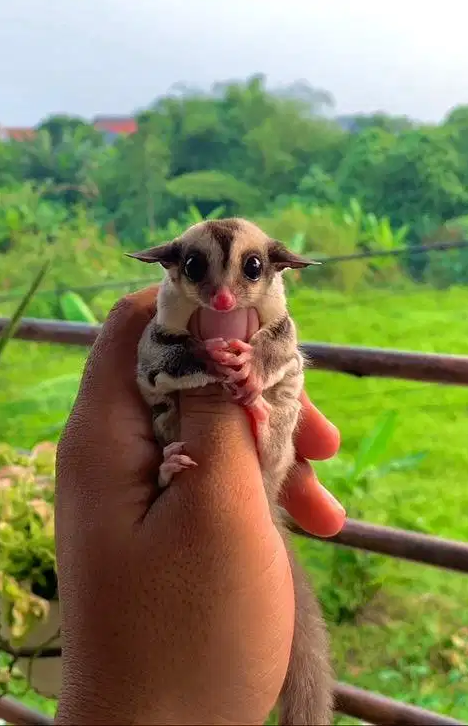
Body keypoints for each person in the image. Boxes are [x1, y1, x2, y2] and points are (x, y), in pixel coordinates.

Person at [55, 287, 345, 725]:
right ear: (173, 270)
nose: (224, 299)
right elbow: (155, 379)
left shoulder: (272, 325)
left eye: (248, 272)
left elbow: (283, 363)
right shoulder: (167, 326)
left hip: (260, 455)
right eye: (196, 271)